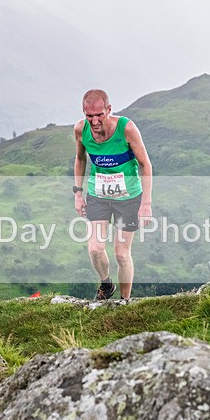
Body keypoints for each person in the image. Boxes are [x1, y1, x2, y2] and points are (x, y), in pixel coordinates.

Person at [73, 89, 153, 301]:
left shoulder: (126, 128)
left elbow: (145, 164)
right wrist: (78, 194)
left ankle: (125, 302)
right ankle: (106, 285)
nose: (95, 120)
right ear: (84, 113)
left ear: (109, 109)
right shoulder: (81, 130)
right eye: (90, 116)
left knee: (121, 253)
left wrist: (146, 203)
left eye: (99, 115)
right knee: (95, 249)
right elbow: (80, 159)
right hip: (98, 194)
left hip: (128, 197)